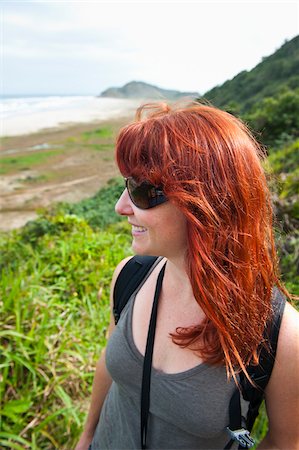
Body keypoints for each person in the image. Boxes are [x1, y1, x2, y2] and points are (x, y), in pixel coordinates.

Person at [75, 102, 299, 450]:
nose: (121, 207)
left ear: (204, 203)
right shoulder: (130, 277)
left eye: (141, 190)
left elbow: (286, 442)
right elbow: (110, 369)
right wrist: (86, 437)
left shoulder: (280, 335)